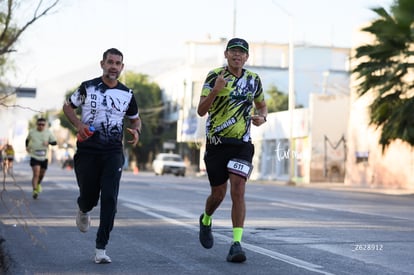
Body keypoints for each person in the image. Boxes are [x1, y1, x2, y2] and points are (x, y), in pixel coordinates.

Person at [62, 48, 141, 264]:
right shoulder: (88, 87)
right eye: (110, 62)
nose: (113, 66)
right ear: (102, 64)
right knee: (89, 197)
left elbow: (135, 119)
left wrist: (136, 130)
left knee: (109, 198)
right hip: (88, 150)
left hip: (113, 152)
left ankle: (101, 249)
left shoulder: (127, 94)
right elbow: (68, 106)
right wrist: (79, 125)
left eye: (118, 63)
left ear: (122, 67)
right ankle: (83, 208)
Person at [197, 38, 268, 263]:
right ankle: (206, 219)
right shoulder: (214, 76)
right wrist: (215, 91)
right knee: (218, 194)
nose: (237, 55)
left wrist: (262, 117)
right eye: (233, 51)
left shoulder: (253, 79)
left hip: (242, 144)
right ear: (226, 54)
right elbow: (201, 111)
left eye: (242, 52)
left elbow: (262, 105)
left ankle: (236, 244)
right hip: (217, 144)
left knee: (238, 189)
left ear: (247, 57)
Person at [25, 118, 57, 199]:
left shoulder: (48, 132)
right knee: (36, 173)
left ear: (45, 125)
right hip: (34, 156)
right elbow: (27, 140)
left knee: (41, 174)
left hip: (44, 157)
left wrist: (48, 142)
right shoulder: (32, 132)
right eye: (39, 124)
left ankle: (38, 183)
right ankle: (35, 190)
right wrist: (27, 147)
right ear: (37, 124)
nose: (41, 126)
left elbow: (55, 142)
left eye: (43, 124)